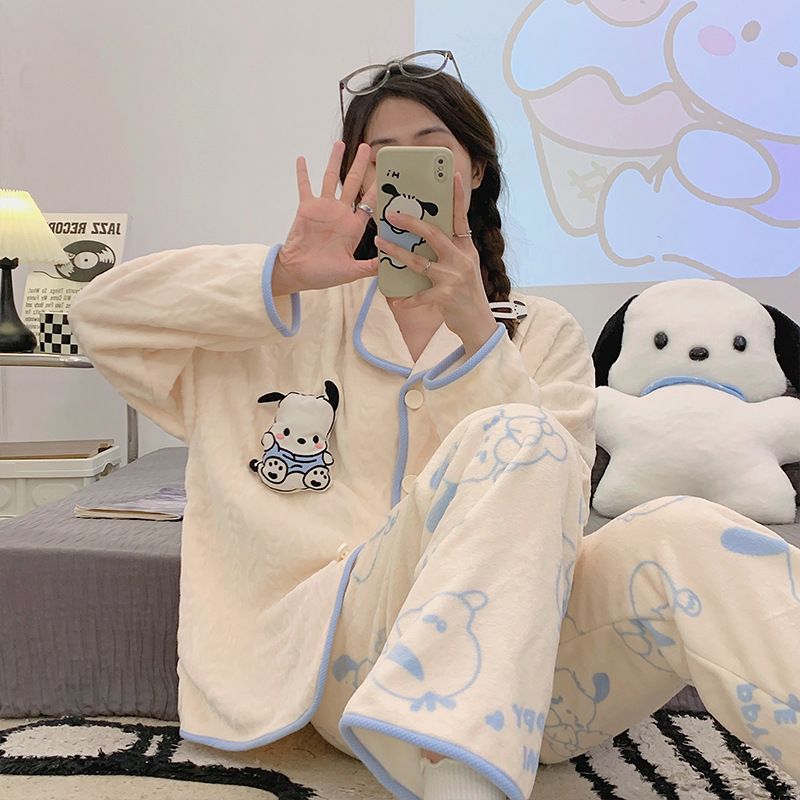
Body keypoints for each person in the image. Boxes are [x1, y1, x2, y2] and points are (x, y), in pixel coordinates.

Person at [69, 52, 800, 800]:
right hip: (340, 668)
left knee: (690, 529)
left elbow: (558, 509)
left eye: (430, 150)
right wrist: (282, 271)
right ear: (360, 179)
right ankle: (459, 782)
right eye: (383, 156)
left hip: (535, 686)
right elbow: (101, 318)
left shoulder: (540, 331)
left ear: (473, 170)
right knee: (525, 432)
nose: (405, 172)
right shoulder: (281, 318)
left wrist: (480, 335)